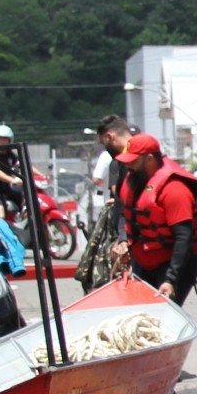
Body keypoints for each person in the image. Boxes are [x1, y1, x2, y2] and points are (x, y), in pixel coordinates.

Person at [115, 133, 197, 303]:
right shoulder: (134, 180)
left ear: (150, 159)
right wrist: (121, 240)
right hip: (144, 261)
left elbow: (183, 238)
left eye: (133, 161)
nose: (128, 166)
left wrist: (170, 279)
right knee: (142, 314)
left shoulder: (174, 189)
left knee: (163, 318)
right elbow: (124, 214)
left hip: (175, 262)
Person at [77, 115, 132, 292]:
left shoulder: (127, 160)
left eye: (104, 143)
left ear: (109, 137)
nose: (105, 148)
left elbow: (126, 201)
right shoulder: (122, 160)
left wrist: (122, 237)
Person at [0, 124, 25, 220]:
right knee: (0, 215)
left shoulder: (10, 155)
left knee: (26, 206)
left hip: (7, 190)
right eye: (1, 139)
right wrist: (13, 180)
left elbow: (23, 165)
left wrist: (40, 175)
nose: (3, 142)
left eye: (6, 139)